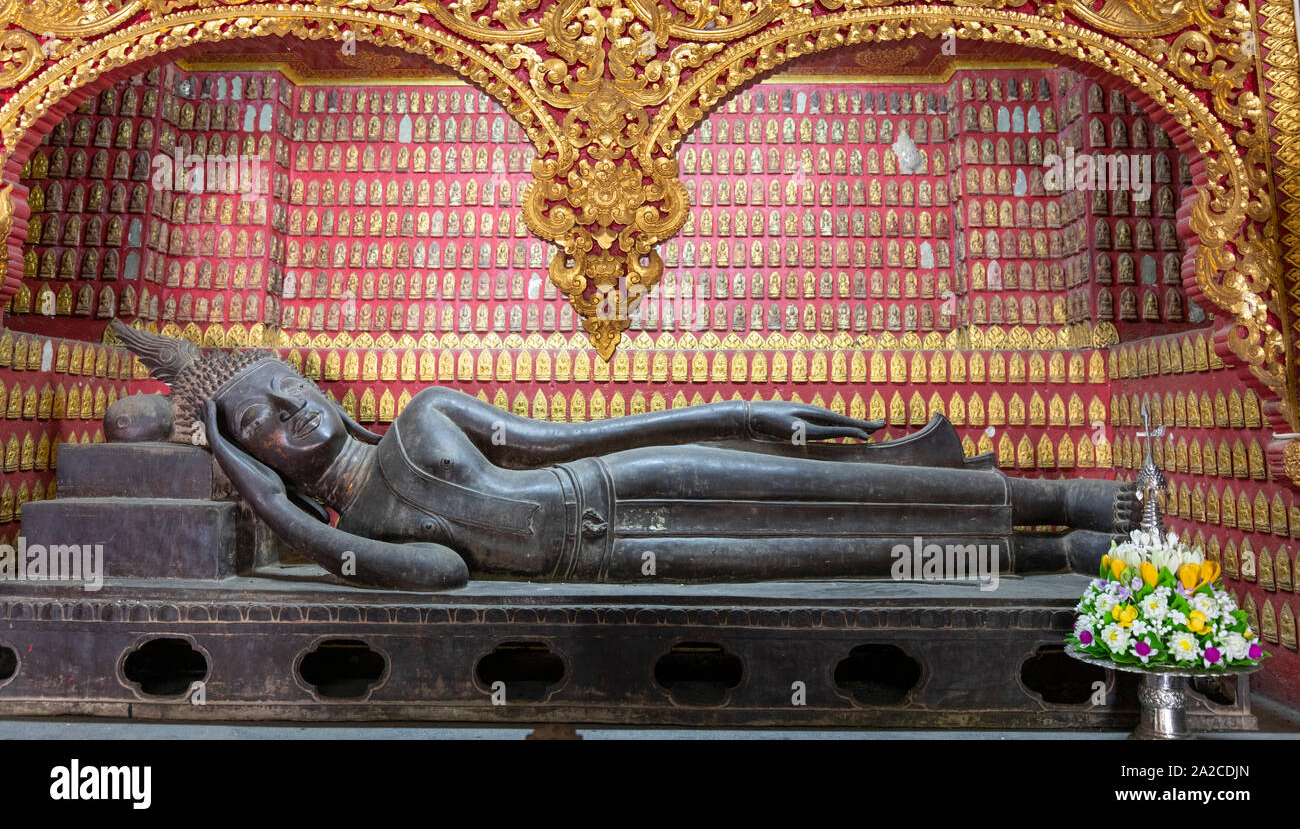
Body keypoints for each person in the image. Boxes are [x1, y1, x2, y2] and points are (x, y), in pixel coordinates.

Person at [110, 321, 1133, 591]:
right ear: (250, 463)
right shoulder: (372, 527)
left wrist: (749, 412)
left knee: (831, 481)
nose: (295, 405)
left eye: (287, 381)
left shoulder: (425, 414)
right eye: (261, 421)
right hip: (609, 555)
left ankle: (1077, 498)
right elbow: (447, 568)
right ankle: (1067, 555)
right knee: (849, 544)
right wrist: (266, 500)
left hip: (623, 480)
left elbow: (583, 438)